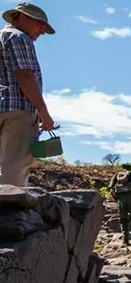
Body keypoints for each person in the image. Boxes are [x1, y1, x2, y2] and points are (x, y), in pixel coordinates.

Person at [0, 2, 55, 187]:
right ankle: (10, 213)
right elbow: (25, 76)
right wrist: (43, 112)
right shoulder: (19, 37)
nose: (42, 30)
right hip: (18, 109)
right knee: (16, 164)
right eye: (40, 24)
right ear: (22, 17)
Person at [109, 164, 131, 245]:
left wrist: (116, 199)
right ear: (130, 168)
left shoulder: (117, 175)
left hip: (121, 198)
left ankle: (125, 240)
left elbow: (111, 189)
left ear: (122, 168)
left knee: (123, 218)